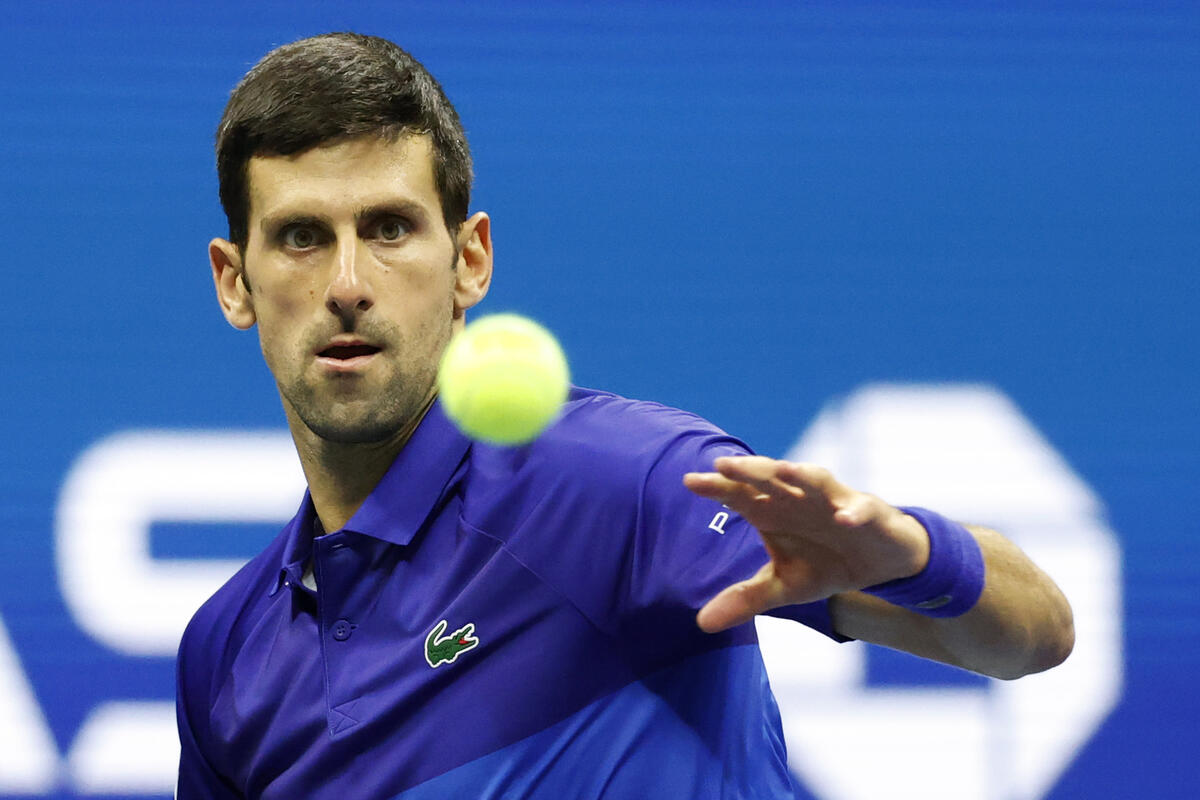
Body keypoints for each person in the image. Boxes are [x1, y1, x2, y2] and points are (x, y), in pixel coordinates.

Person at [176, 32, 1074, 799]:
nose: (346, 284)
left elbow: (1036, 634)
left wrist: (914, 558)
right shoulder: (225, 658)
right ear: (234, 281)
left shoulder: (621, 483)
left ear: (470, 262)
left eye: (389, 229)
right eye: (301, 237)